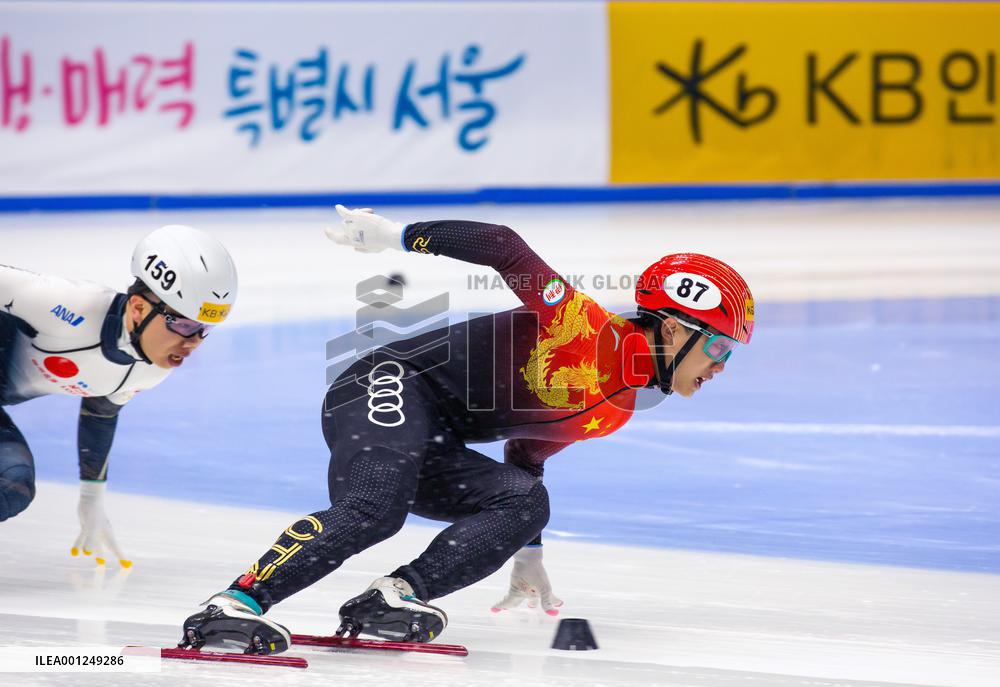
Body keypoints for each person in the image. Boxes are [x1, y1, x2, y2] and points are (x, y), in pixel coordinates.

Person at [181, 206, 754, 654]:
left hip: (434, 439)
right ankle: (235, 601)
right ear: (676, 330)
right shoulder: (581, 327)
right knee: (378, 507)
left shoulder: (617, 409)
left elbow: (525, 457)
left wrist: (525, 551)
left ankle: (392, 598)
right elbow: (504, 247)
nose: (722, 367)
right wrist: (399, 236)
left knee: (530, 502)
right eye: (720, 347)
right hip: (384, 384)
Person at [0, 225, 238, 567]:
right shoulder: (68, 305)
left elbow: (101, 411)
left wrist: (91, 497)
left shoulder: (151, 370)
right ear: (139, 308)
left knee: (12, 487)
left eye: (205, 330)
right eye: (185, 325)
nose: (194, 342)